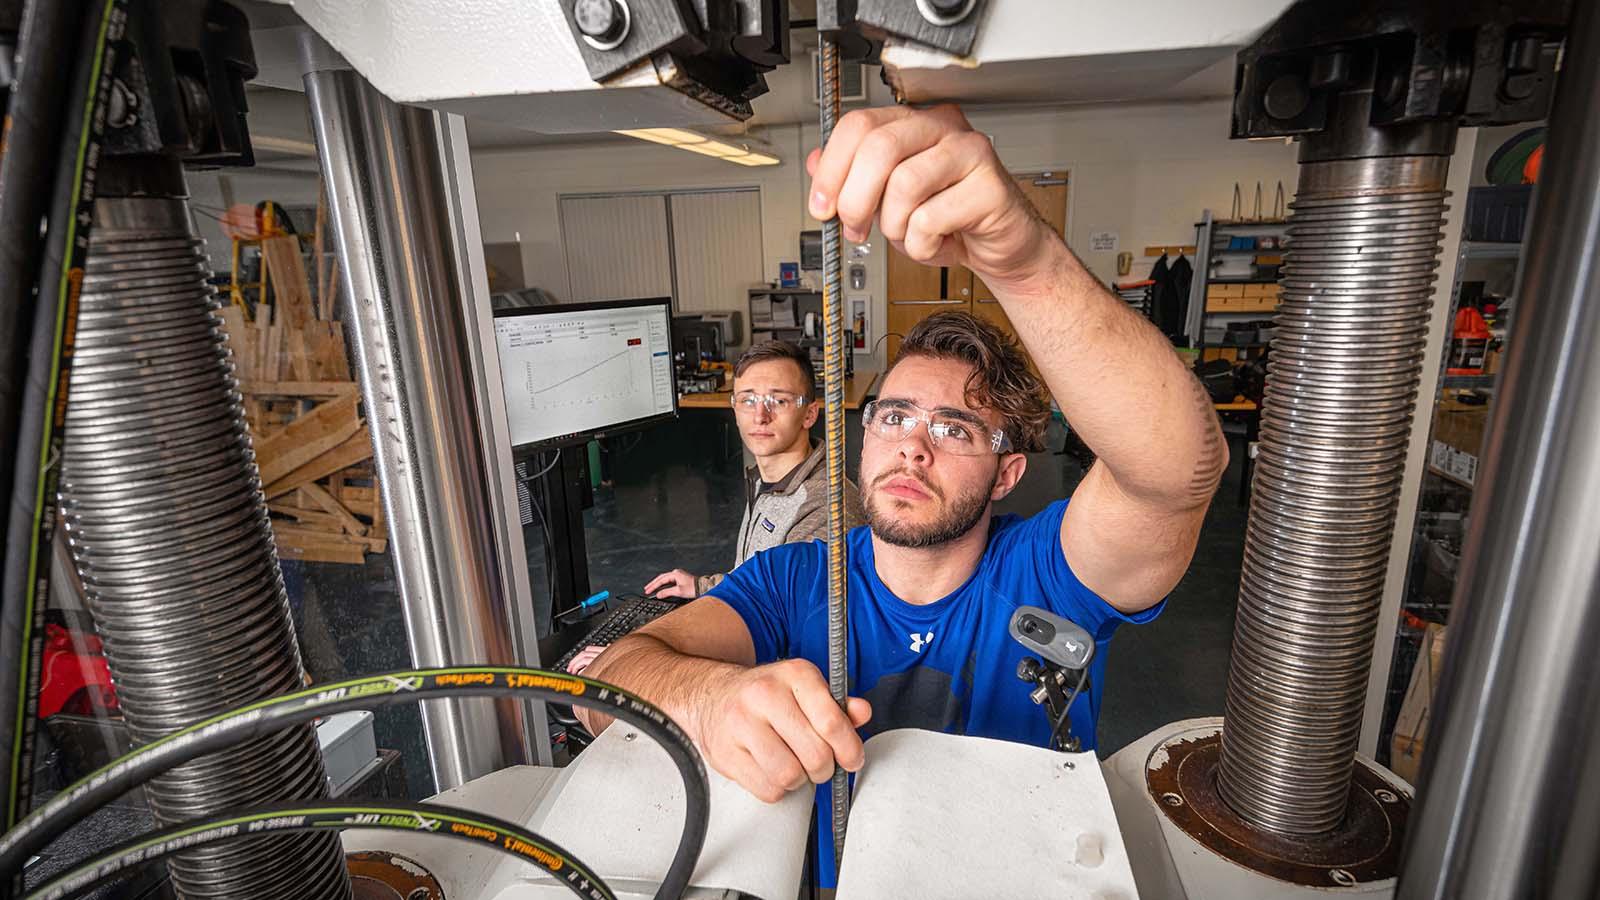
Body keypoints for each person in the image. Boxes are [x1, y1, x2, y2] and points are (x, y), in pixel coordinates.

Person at [575, 104, 1227, 883]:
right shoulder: (796, 583)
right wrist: (710, 699)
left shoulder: (1048, 577)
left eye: (954, 429)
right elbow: (609, 678)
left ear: (1008, 472)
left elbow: (1174, 472)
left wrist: (1021, 260)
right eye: (894, 416)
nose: (912, 444)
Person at [643, 339, 865, 599]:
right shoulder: (769, 479)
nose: (760, 415)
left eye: (779, 401)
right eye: (748, 400)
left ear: (809, 414)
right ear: (735, 409)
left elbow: (783, 610)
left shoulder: (825, 508)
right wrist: (703, 587)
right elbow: (768, 579)